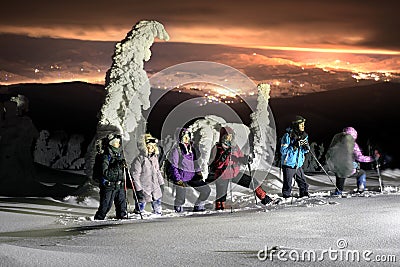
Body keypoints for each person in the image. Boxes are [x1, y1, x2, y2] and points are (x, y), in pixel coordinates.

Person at [209, 126, 273, 210]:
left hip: (234, 173)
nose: (229, 138)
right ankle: (220, 209)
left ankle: (265, 198)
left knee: (252, 182)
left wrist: (244, 159)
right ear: (223, 137)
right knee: (221, 195)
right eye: (227, 136)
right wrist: (223, 157)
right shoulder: (217, 148)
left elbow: (240, 157)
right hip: (222, 175)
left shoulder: (234, 147)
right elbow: (215, 165)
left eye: (231, 136)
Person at [326, 127, 379, 195]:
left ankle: (338, 191)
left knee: (341, 175)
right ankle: (361, 189)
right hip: (349, 169)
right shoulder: (353, 144)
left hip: (338, 168)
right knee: (361, 173)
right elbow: (360, 158)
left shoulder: (337, 143)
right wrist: (372, 158)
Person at [169, 128, 211, 212]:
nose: (186, 139)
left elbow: (195, 162)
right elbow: (174, 166)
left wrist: (198, 172)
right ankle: (178, 209)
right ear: (179, 138)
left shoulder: (191, 149)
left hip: (192, 176)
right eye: (184, 137)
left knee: (206, 190)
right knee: (181, 198)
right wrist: (178, 179)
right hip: (181, 178)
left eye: (188, 137)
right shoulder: (176, 150)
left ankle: (199, 205)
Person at [94, 133, 127, 220]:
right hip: (109, 185)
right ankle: (97, 221)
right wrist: (118, 165)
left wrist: (125, 166)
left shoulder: (119, 154)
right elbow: (105, 172)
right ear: (111, 143)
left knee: (122, 206)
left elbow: (120, 169)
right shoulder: (105, 156)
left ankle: (122, 222)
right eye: (116, 142)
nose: (119, 144)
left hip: (119, 185)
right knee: (105, 207)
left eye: (119, 142)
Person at [130, 133, 165, 214]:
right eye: (150, 146)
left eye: (154, 146)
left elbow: (157, 171)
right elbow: (135, 175)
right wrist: (138, 190)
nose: (152, 148)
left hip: (155, 187)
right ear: (145, 146)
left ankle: (158, 218)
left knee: (158, 208)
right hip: (144, 188)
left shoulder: (154, 158)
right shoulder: (139, 159)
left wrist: (161, 183)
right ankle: (138, 213)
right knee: (140, 208)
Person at [280, 116, 310, 198]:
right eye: (301, 125)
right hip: (289, 164)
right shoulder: (288, 136)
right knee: (288, 184)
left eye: (304, 124)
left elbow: (303, 151)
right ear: (296, 125)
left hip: (298, 164)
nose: (303, 126)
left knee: (303, 183)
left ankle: (304, 195)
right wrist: (294, 146)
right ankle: (286, 197)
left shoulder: (303, 136)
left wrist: (306, 148)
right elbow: (283, 151)